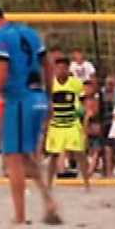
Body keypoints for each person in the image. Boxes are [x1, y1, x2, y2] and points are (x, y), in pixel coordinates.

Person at [0, 4, 60, 225]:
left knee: (12, 159)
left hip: (19, 99)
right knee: (25, 156)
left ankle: (20, 216)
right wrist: (49, 97)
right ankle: (48, 200)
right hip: (37, 98)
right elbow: (48, 65)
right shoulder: (29, 32)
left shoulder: (0, 36)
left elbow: (2, 73)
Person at [45, 57, 90, 190]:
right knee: (53, 155)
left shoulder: (75, 83)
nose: (61, 71)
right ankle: (48, 184)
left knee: (80, 153)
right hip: (56, 125)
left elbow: (83, 100)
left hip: (72, 123)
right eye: (58, 68)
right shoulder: (50, 84)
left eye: (64, 68)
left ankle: (87, 183)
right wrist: (46, 122)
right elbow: (47, 104)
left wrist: (83, 115)